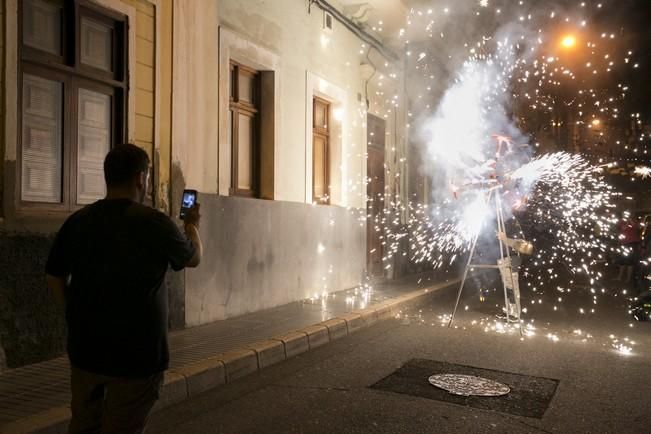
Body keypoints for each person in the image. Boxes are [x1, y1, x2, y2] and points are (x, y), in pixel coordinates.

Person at [45, 144, 203, 433]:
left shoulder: (78, 221)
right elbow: (193, 258)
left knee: (82, 424)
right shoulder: (154, 222)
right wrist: (191, 224)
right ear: (141, 178)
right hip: (137, 355)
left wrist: (72, 311)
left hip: (85, 349)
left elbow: (55, 275)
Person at [615, 212, 641, 283]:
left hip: (632, 244)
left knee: (630, 261)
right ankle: (619, 277)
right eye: (624, 215)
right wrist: (626, 222)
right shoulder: (621, 222)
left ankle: (628, 279)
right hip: (624, 244)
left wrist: (630, 221)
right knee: (622, 260)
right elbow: (622, 228)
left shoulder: (634, 221)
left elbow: (638, 227)